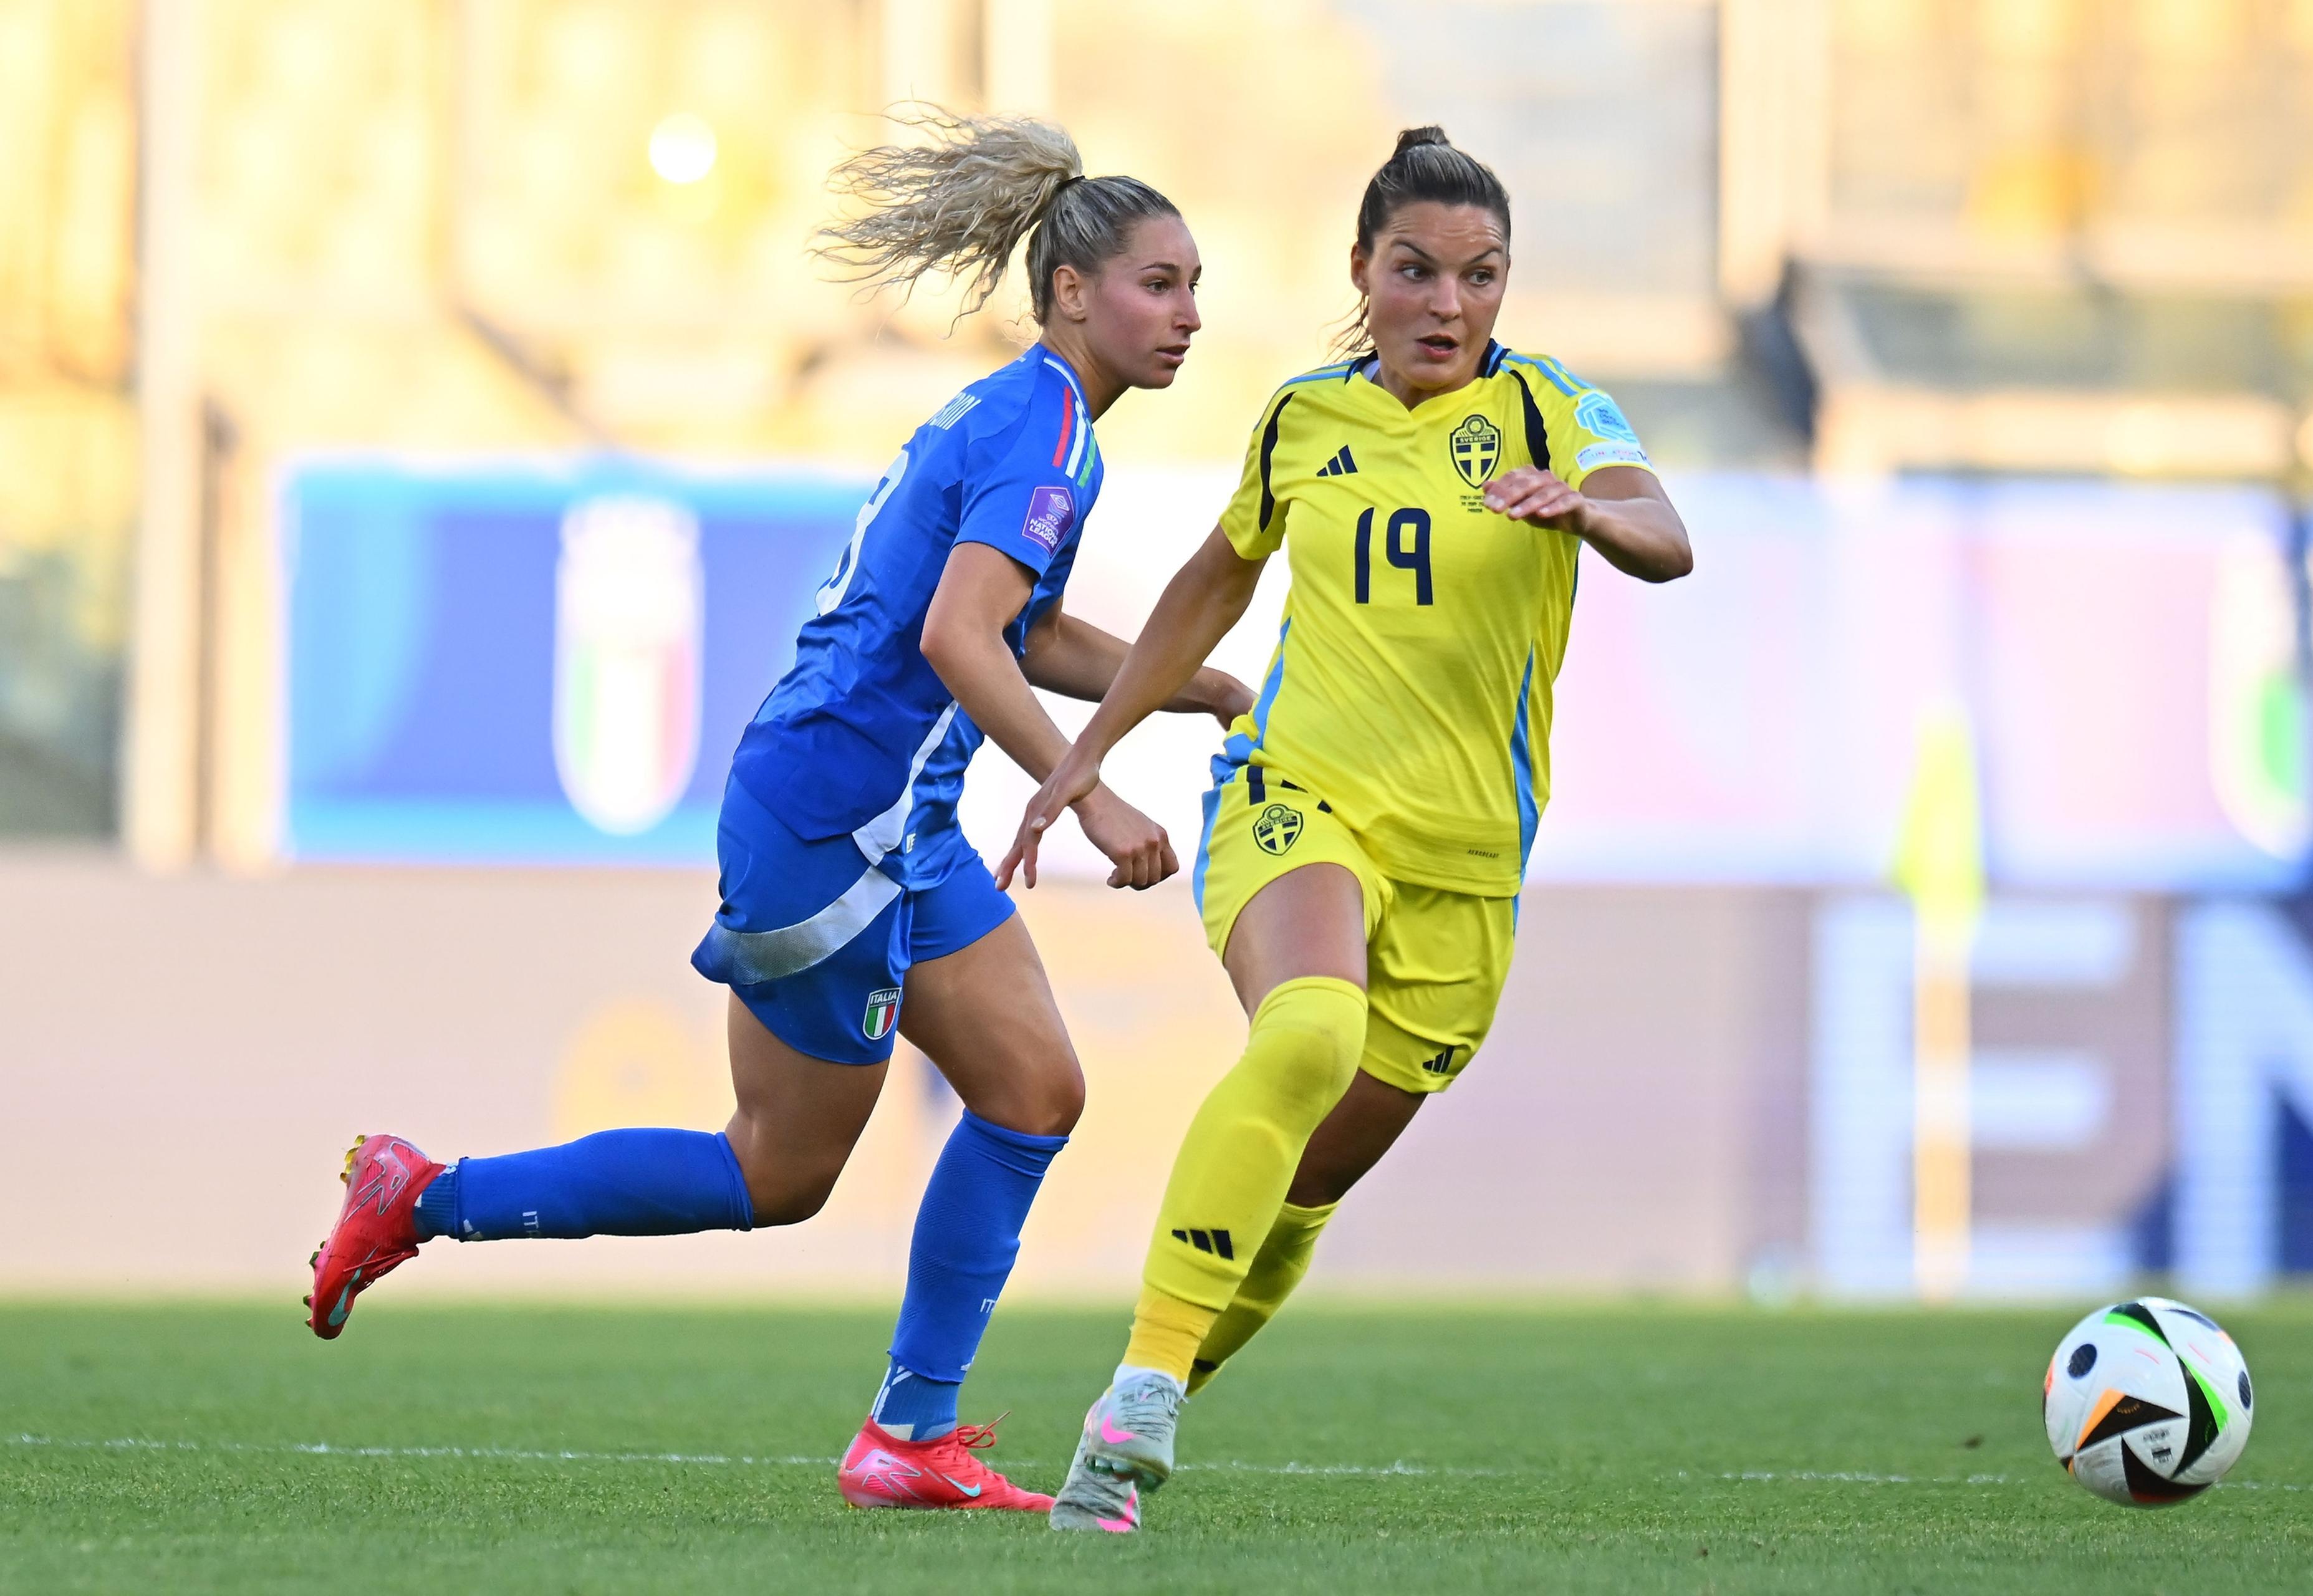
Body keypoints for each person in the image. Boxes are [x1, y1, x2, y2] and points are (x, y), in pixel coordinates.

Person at [304, 109, 1250, 1515]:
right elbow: (958, 638)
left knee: (1035, 1090)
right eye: (1157, 285)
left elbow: (1019, 628)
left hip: (886, 820)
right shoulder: (1046, 433)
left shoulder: (1032, 416)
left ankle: (909, 1435)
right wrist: (1091, 790)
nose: (1186, 316)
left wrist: (1194, 680)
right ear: (1071, 291)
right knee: (779, 1166)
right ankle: (423, 1194)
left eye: (1193, 288)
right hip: (836, 828)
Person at [998, 126, 1694, 1532]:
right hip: (1295, 795)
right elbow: (1214, 577)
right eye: (1416, 271)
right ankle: (1140, 1385)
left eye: (1480, 275)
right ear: (1363, 274)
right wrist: (1091, 747)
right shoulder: (1304, 415)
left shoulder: (1556, 411)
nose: (1448, 302)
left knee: (1300, 1187)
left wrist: (1591, 515)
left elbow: (1667, 531)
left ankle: (1130, 1421)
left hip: (1465, 870)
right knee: (1305, 1034)